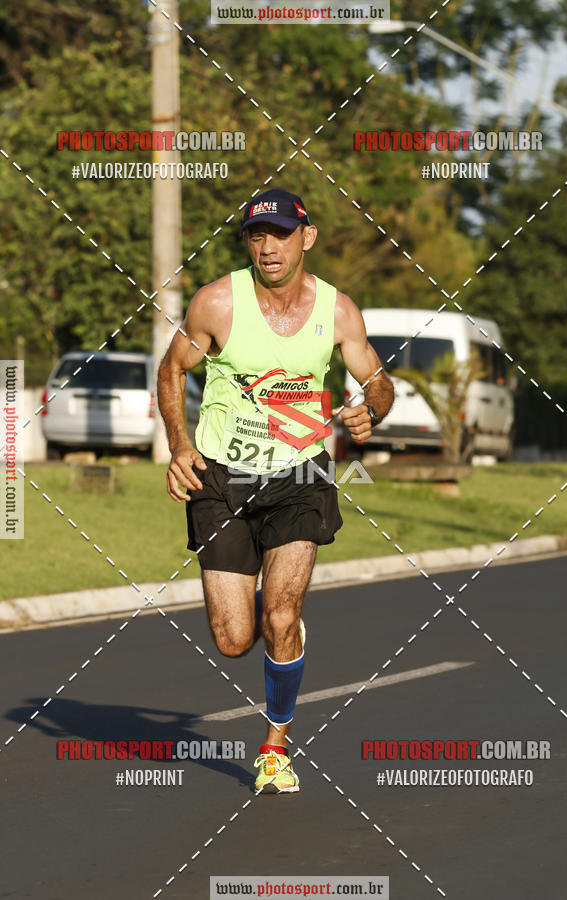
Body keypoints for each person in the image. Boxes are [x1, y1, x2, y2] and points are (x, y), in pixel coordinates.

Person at [157, 188, 393, 794]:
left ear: (305, 238)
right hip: (222, 479)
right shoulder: (216, 303)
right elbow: (172, 368)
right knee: (235, 639)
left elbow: (378, 379)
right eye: (256, 236)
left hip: (299, 477)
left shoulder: (338, 311)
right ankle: (275, 632)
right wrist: (181, 445)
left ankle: (274, 745)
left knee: (281, 613)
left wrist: (372, 409)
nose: (267, 247)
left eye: (280, 235)